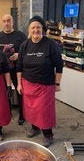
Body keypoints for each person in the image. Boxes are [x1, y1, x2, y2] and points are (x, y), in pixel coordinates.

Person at [16, 15, 63, 147]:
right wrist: (19, 83)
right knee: (31, 109)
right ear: (29, 30)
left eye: (38, 27)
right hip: (28, 83)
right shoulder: (24, 45)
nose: (35, 30)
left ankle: (48, 135)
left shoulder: (50, 44)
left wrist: (57, 84)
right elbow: (19, 66)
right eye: (33, 27)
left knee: (44, 111)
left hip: (45, 85)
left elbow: (59, 65)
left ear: (42, 29)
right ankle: (35, 128)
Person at [0, 14, 27, 125]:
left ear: (13, 22)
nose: (6, 23)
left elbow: (28, 50)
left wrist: (19, 54)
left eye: (8, 20)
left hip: (17, 69)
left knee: (20, 92)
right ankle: (7, 112)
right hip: (3, 70)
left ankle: (22, 114)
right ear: (2, 23)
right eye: (4, 21)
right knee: (4, 92)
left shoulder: (21, 35)